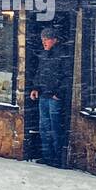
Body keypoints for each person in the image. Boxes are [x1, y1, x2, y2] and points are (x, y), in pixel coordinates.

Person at [29, 25, 71, 166]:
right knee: (44, 127)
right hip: (43, 96)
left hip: (54, 97)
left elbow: (67, 76)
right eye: (42, 40)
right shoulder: (44, 54)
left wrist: (58, 94)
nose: (44, 42)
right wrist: (35, 87)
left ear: (54, 40)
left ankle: (57, 158)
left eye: (46, 39)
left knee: (55, 127)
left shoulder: (62, 54)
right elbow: (40, 72)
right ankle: (47, 156)